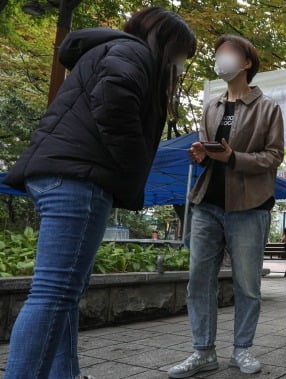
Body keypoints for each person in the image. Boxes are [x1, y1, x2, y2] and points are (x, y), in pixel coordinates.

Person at [2, 8, 196, 379]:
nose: (180, 65)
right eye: (181, 54)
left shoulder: (109, 51)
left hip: (61, 174)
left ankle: (66, 374)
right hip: (81, 178)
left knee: (64, 294)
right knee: (53, 294)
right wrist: (132, 163)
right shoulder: (133, 53)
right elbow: (114, 102)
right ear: (165, 42)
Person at [168, 34, 284, 377]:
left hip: (249, 205)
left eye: (228, 53)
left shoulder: (267, 107)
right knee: (199, 281)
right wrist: (202, 156)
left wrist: (234, 157)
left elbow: (274, 157)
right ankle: (203, 351)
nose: (221, 58)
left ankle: (242, 350)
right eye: (218, 53)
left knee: (247, 284)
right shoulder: (211, 106)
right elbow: (210, 152)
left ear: (246, 62)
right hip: (207, 203)